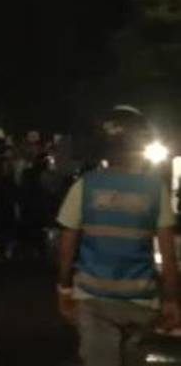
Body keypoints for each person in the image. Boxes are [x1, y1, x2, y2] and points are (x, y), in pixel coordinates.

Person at [57, 106, 179, 366]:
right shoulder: (155, 189)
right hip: (141, 302)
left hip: (94, 300)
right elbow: (168, 255)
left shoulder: (85, 186)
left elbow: (67, 245)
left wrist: (64, 288)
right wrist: (171, 300)